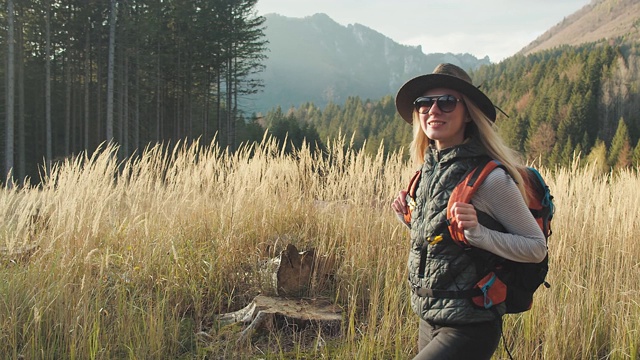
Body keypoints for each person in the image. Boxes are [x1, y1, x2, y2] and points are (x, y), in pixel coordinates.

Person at [391, 63, 547, 360]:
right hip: (429, 317)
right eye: (424, 103)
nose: (433, 109)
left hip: (470, 325)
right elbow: (443, 242)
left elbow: (536, 247)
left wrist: (480, 234)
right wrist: (408, 217)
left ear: (468, 114)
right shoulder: (426, 172)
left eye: (447, 102)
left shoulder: (490, 179)